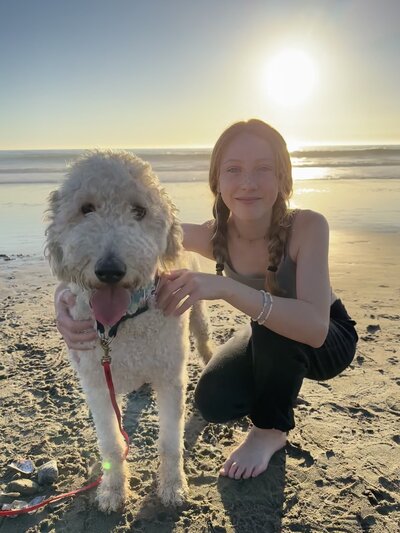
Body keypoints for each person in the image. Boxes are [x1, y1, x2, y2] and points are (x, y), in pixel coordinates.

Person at [54, 119, 358, 481]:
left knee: (277, 332)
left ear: (283, 179)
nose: (247, 182)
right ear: (217, 182)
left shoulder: (308, 225)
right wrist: (65, 296)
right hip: (264, 332)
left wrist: (225, 287)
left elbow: (314, 328)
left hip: (327, 336)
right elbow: (136, 240)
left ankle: (269, 433)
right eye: (233, 170)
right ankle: (273, 380)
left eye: (263, 169)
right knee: (213, 401)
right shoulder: (212, 235)